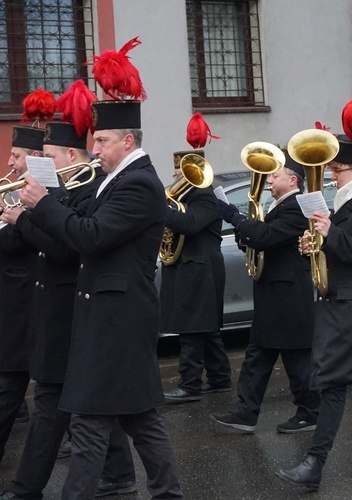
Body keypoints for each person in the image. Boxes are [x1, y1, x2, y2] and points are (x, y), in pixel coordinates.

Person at [17, 38, 183, 497]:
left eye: (104, 140)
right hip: (109, 317)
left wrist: (43, 204)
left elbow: (90, 236)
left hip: (118, 319)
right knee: (137, 421)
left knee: (93, 423)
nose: (96, 147)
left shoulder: (140, 184)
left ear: (127, 141)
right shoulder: (117, 178)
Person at [0, 85, 138, 498]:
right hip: (53, 306)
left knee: (54, 404)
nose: (39, 162)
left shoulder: (82, 189)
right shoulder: (63, 188)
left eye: (47, 156)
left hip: (67, 307)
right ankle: (119, 474)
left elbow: (66, 246)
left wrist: (25, 217)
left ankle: (26, 488)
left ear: (70, 156)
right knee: (85, 406)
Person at [276, 91, 352, 491]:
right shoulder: (348, 201)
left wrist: (331, 234)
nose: (332, 175)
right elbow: (342, 248)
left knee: (331, 380)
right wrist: (314, 243)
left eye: (339, 170)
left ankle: (314, 464)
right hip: (345, 302)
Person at [212, 149, 319, 434]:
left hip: (288, 295)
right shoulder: (277, 205)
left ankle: (310, 413)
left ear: (293, 179)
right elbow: (254, 241)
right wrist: (245, 229)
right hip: (273, 293)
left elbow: (264, 237)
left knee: (296, 358)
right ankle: (245, 413)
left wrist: (234, 216)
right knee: (258, 356)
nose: (269, 179)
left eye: (275, 174)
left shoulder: (297, 207)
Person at [162, 116, 232, 403]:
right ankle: (220, 378)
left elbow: (190, 225)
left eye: (183, 172)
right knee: (206, 329)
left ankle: (190, 384)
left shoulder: (205, 197)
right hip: (190, 267)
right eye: (177, 171)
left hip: (202, 268)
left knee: (192, 328)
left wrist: (161, 208)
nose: (178, 176)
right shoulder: (181, 198)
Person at [0, 109, 46, 464]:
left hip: (25, 296)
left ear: (32, 157)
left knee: (12, 379)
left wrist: (8, 221)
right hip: (10, 295)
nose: (10, 162)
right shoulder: (13, 190)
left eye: (16, 156)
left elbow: (18, 242)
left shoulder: (35, 192)